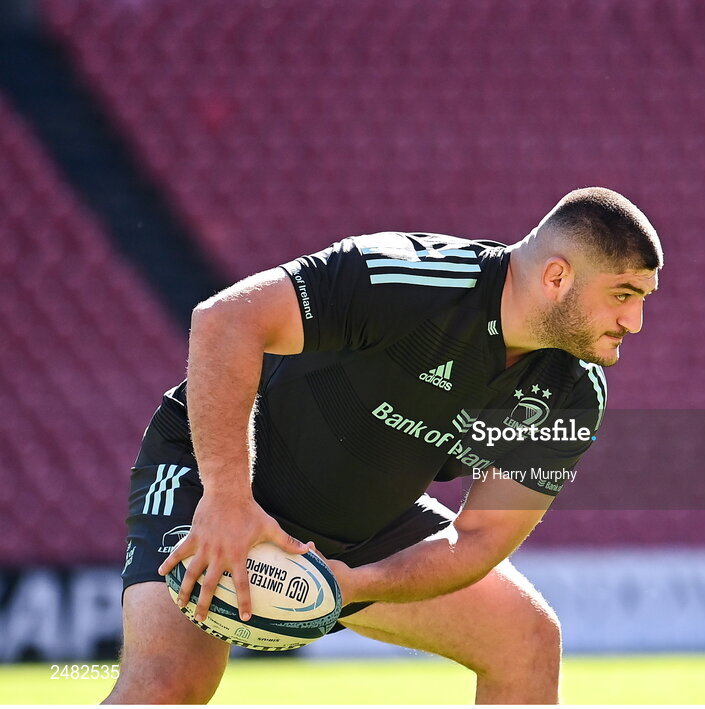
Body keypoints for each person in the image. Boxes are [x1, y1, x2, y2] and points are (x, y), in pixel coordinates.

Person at [106, 186, 663, 704]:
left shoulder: (572, 393)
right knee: (171, 682)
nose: (634, 321)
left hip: (364, 527)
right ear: (557, 277)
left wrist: (356, 584)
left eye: (642, 299)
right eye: (623, 294)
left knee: (527, 641)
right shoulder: (407, 278)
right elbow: (224, 320)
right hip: (216, 477)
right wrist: (226, 498)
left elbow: (479, 539)